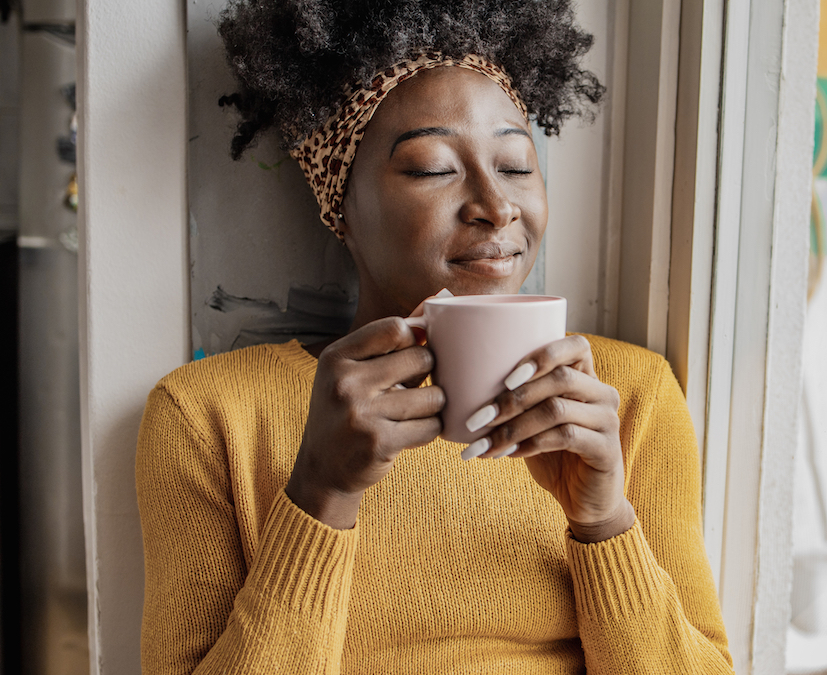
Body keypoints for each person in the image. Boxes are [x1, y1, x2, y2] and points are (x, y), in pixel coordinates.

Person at [135, 1, 733, 672]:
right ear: (341, 202)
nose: (497, 205)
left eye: (514, 165)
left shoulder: (627, 398)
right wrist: (320, 494)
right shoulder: (207, 416)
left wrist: (603, 521)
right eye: (431, 168)